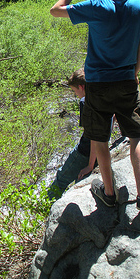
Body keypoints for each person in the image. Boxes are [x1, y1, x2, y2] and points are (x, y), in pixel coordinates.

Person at [50, 0, 140, 211]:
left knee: (100, 137)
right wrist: (134, 72)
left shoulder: (95, 6)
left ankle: (109, 194)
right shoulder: (136, 4)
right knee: (135, 134)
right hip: (125, 81)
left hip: (98, 84)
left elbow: (55, 10)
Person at [48, 68, 96, 200]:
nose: (76, 95)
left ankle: (43, 210)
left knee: (60, 180)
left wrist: (90, 165)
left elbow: (93, 136)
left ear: (81, 87)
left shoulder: (85, 102)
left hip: (84, 152)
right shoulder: (102, 96)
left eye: (75, 91)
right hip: (100, 151)